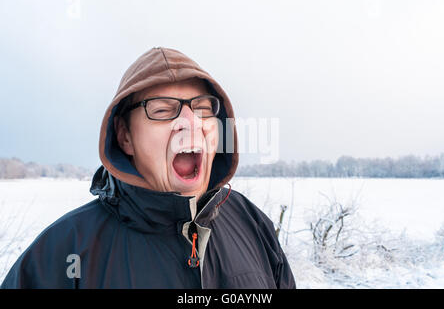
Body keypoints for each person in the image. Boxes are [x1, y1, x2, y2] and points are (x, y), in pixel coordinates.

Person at [1, 47, 296, 289]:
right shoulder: (63, 252)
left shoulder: (253, 225)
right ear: (125, 136)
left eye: (204, 108)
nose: (191, 123)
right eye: (162, 110)